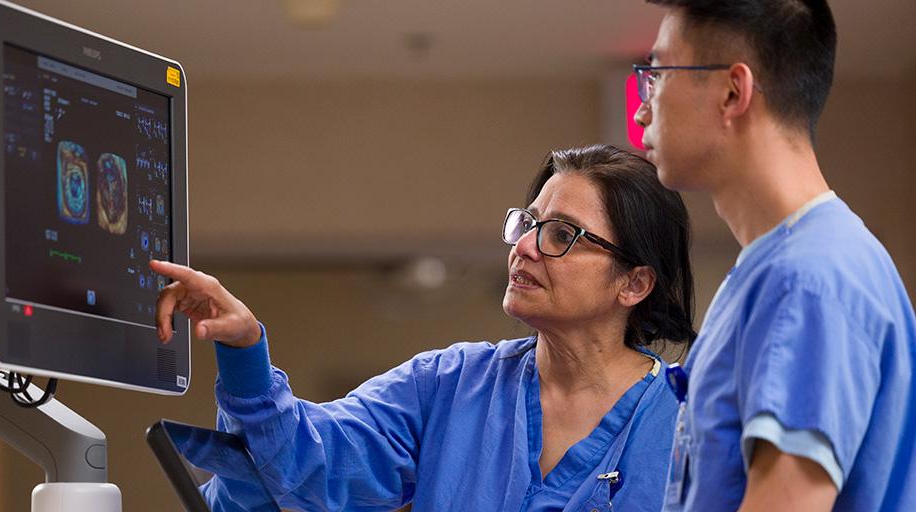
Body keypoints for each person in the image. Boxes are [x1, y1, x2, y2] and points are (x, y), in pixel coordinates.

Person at [151, 144, 697, 511]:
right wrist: (245, 349)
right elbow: (312, 461)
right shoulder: (450, 385)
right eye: (527, 223)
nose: (525, 246)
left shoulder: (685, 420)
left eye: (562, 235)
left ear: (634, 284)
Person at [633, 1, 916, 510]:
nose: (642, 109)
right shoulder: (777, 270)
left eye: (657, 75)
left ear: (732, 91)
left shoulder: (809, 278)